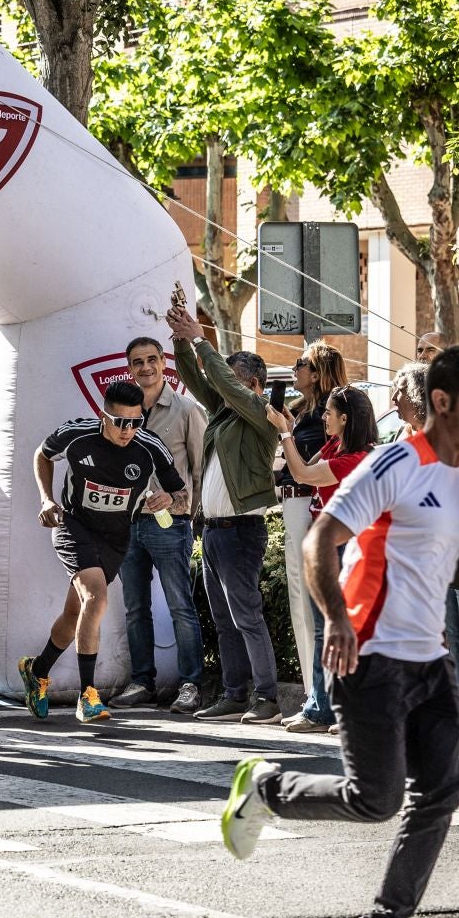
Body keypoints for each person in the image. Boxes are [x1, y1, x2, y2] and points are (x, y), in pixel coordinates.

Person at [221, 344, 459, 918]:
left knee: (440, 792)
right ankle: (266, 789)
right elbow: (321, 540)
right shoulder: (395, 463)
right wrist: (337, 619)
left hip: (432, 663)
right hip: (370, 654)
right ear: (443, 402)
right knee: (375, 798)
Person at [18, 381, 182, 724]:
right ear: (102, 415)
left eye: (135, 423)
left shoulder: (150, 447)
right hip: (73, 526)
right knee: (96, 598)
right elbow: (42, 454)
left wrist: (169, 499)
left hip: (116, 538)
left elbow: (180, 494)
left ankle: (38, 670)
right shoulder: (78, 434)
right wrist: (47, 499)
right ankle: (88, 695)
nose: (127, 431)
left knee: (73, 614)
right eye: (119, 422)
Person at [166, 303, 282, 721]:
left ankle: (265, 697)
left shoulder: (260, 412)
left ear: (251, 382)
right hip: (214, 532)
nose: (222, 385)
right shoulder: (224, 414)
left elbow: (220, 382)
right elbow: (199, 380)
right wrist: (181, 341)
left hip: (240, 531)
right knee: (224, 618)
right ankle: (234, 694)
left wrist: (200, 337)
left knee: (246, 616)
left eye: (231, 378)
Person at [270, 385, 380, 733]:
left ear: (345, 418)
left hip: (345, 549)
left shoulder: (356, 459)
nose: (324, 417)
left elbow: (302, 475)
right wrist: (289, 426)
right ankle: (322, 707)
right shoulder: (337, 445)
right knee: (324, 631)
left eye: (330, 412)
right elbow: (306, 464)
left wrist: (284, 431)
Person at [109, 336, 207, 711]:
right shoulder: (124, 412)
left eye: (152, 359)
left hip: (170, 524)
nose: (145, 367)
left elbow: (200, 469)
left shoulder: (185, 409)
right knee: (135, 608)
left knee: (180, 605)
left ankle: (191, 684)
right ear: (129, 368)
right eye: (137, 362)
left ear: (164, 362)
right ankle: (141, 682)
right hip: (128, 524)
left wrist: (182, 503)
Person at [275, 343, 344, 710]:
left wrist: (286, 433)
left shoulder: (326, 417)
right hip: (293, 502)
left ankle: (316, 694)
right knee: (299, 599)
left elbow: (308, 467)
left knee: (307, 600)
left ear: (316, 373)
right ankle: (310, 691)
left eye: (301, 363)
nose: (294, 367)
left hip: (307, 502)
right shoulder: (307, 413)